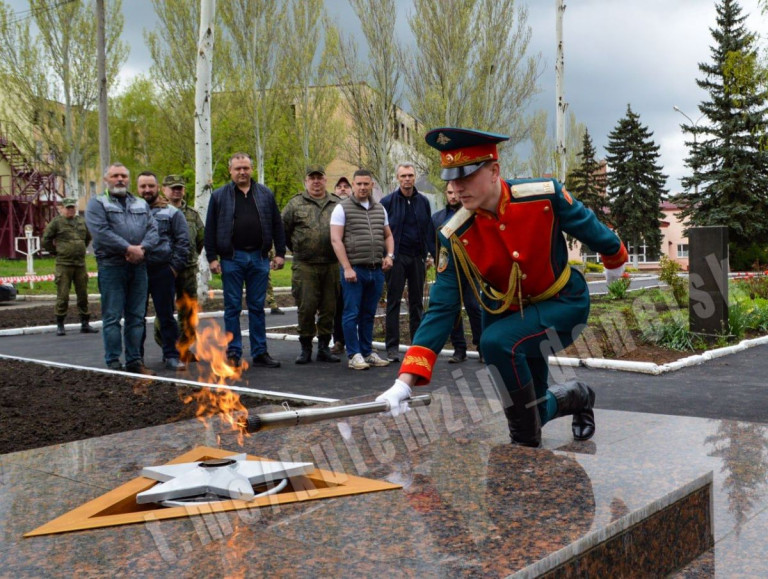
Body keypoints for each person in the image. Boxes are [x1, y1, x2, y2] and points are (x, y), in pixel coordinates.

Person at [376, 128, 628, 447]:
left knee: (494, 343)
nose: (455, 187)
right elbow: (442, 307)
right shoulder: (454, 234)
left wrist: (614, 261)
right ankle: (577, 396)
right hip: (507, 314)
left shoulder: (543, 196)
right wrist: (405, 382)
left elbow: (589, 225)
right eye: (450, 179)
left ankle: (521, 451)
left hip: (561, 303)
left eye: (465, 177)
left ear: (494, 171)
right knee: (532, 408)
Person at [204, 152, 286, 369]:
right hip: (232, 258)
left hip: (260, 258)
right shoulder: (219, 196)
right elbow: (209, 228)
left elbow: (277, 225)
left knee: (257, 307)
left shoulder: (265, 194)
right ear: (230, 171)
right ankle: (233, 353)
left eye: (246, 168)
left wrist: (280, 254)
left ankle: (260, 352)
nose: (242, 172)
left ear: (252, 169)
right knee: (232, 308)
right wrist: (212, 258)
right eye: (238, 168)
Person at [85, 162, 159, 374]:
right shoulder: (97, 204)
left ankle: (135, 361)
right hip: (112, 266)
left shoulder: (140, 204)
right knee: (112, 316)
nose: (120, 179)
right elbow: (101, 233)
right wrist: (127, 248)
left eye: (124, 176)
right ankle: (114, 363)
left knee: (137, 317)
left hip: (139, 266)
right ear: (106, 180)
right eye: (115, 176)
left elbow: (153, 230)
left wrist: (142, 249)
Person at [330, 169, 395, 370]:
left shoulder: (380, 209)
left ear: (372, 185)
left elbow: (388, 236)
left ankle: (367, 352)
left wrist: (390, 255)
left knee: (368, 314)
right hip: (354, 271)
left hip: (376, 270)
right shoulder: (342, 208)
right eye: (358, 184)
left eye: (366, 184)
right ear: (353, 185)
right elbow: (335, 239)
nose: (363, 187)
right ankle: (354, 354)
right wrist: (347, 267)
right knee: (351, 313)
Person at [282, 165, 340, 364]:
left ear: (325, 180)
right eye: (312, 178)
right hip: (305, 265)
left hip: (331, 264)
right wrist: (299, 248)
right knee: (306, 307)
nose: (316, 182)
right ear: (306, 181)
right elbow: (284, 231)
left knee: (329, 308)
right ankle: (305, 347)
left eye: (319, 178)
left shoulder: (337, 203)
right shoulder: (295, 204)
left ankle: (324, 347)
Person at [380, 163, 436, 362]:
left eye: (410, 175)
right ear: (397, 178)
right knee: (393, 302)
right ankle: (392, 347)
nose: (407, 179)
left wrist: (428, 255)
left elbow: (428, 229)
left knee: (416, 304)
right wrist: (385, 255)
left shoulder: (423, 202)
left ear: (414, 177)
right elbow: (382, 232)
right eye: (403, 176)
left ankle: (417, 344)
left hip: (417, 258)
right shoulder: (387, 202)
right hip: (396, 258)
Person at [137, 172, 190, 371]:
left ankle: (171, 356)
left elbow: (183, 242)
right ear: (137, 188)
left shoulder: (171, 212)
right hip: (137, 272)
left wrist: (174, 268)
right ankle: (136, 357)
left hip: (162, 271)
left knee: (166, 315)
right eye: (143, 186)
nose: (147, 190)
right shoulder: (130, 212)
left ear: (158, 187)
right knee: (136, 317)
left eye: (151, 186)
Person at [431, 182, 482, 363]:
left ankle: (481, 346)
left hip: (470, 269)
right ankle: (459, 349)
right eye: (449, 192)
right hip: (449, 272)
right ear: (445, 193)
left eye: (456, 193)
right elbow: (433, 245)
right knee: (452, 310)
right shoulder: (437, 219)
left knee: (474, 307)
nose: (453, 196)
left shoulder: (473, 215)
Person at [160, 174, 205, 362]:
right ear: (164, 190)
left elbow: (201, 239)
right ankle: (169, 349)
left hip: (187, 269)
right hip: (165, 269)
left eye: (179, 187)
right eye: (172, 188)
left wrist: (191, 257)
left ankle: (185, 348)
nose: (176, 191)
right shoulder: (157, 211)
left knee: (188, 311)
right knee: (165, 311)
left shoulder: (193, 214)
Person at [42, 197, 99, 336]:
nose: (70, 210)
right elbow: (46, 239)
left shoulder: (81, 221)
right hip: (64, 264)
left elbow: (88, 238)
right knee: (63, 295)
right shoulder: (56, 222)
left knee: (83, 295)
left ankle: (85, 323)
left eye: (72, 207)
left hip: (80, 264)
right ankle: (60, 324)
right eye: (68, 207)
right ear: (62, 208)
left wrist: (80, 248)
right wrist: (55, 251)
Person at [330, 176, 352, 355]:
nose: (343, 189)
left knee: (354, 304)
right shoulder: (331, 208)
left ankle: (356, 340)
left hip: (355, 262)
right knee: (337, 304)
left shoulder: (357, 208)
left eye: (346, 186)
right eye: (340, 187)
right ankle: (338, 340)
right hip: (332, 264)